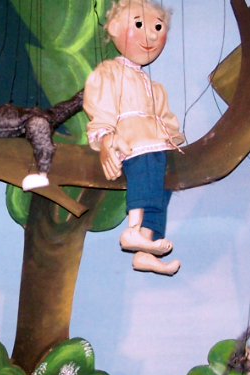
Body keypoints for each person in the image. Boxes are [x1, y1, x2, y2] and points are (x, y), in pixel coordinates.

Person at [84, 0, 186, 276]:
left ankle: (146, 246)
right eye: (140, 25)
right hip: (131, 140)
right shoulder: (109, 73)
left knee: (162, 186)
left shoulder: (155, 88)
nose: (151, 34)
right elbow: (100, 107)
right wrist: (106, 138)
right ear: (115, 27)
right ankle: (132, 229)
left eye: (158, 28)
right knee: (145, 165)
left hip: (154, 142)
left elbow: (165, 119)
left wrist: (172, 140)